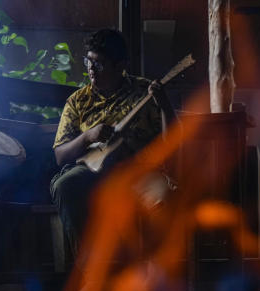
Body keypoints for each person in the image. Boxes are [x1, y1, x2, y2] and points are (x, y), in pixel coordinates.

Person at [50, 28, 176, 267]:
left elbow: (173, 141)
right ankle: (91, 271)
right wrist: (87, 136)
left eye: (99, 64)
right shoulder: (78, 101)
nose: (91, 69)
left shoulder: (145, 91)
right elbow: (60, 155)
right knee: (63, 185)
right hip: (95, 171)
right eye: (89, 62)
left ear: (120, 66)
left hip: (139, 171)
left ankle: (155, 273)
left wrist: (165, 107)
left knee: (162, 197)